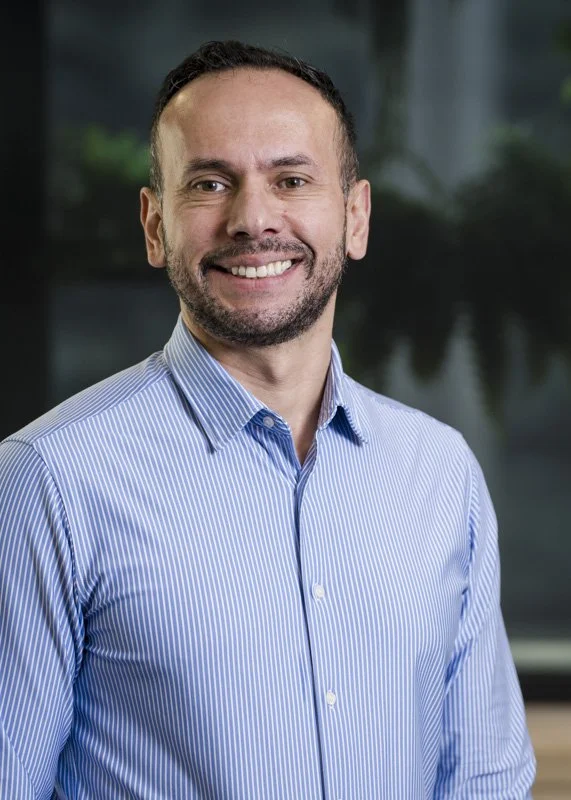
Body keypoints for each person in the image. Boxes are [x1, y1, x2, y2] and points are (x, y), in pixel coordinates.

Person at [0, 40, 536, 799]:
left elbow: (485, 781)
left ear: (354, 217)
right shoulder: (47, 481)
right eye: (211, 182)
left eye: (291, 179)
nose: (253, 220)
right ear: (154, 226)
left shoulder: (439, 472)